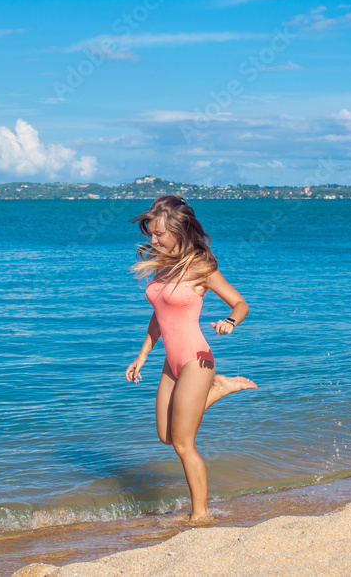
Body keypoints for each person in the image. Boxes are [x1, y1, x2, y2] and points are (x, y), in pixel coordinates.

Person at [125, 195, 257, 523]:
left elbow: (240, 304)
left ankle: (200, 514)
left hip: (196, 360)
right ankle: (219, 389)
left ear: (179, 231)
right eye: (151, 233)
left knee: (184, 444)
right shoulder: (162, 266)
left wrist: (229, 322)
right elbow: (160, 316)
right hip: (171, 361)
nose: (152, 239)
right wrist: (142, 355)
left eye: (159, 233)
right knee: (165, 436)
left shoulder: (201, 267)